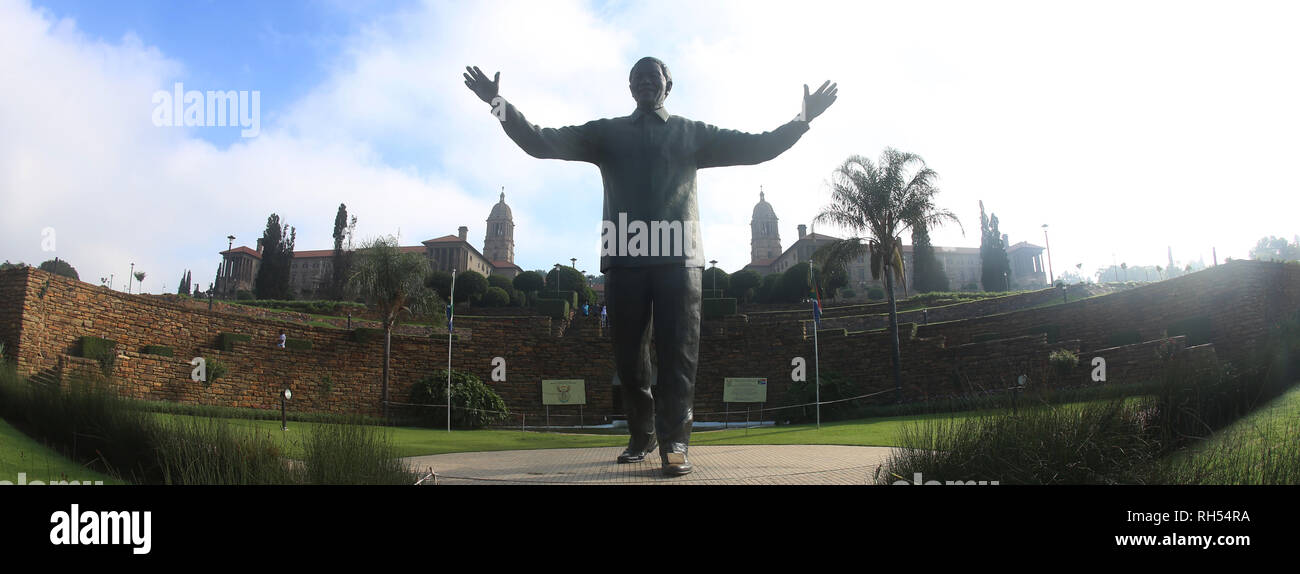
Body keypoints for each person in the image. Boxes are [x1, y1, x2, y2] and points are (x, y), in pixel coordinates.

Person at [464, 58, 836, 476]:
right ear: (629, 87)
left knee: (680, 356)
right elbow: (539, 141)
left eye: (652, 75)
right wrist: (497, 103)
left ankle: (675, 441)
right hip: (624, 255)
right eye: (636, 76)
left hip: (680, 256)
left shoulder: (692, 133)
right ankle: (641, 433)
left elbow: (758, 146)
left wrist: (803, 119)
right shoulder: (607, 134)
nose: (644, 81)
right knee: (629, 360)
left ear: (668, 85)